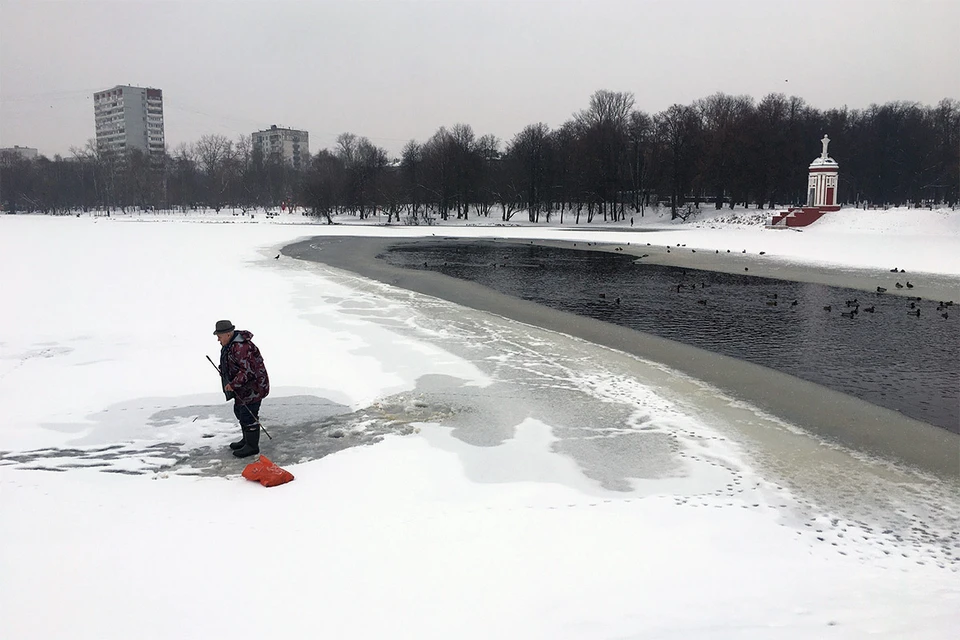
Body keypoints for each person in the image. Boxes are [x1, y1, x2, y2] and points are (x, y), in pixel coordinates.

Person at [213, 320, 270, 458]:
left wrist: (233, 384)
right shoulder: (229, 346)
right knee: (239, 411)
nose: (218, 340)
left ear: (227, 334)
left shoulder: (240, 347)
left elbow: (247, 371)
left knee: (248, 415)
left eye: (219, 336)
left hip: (253, 387)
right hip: (243, 389)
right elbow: (231, 363)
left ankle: (252, 446)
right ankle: (246, 440)